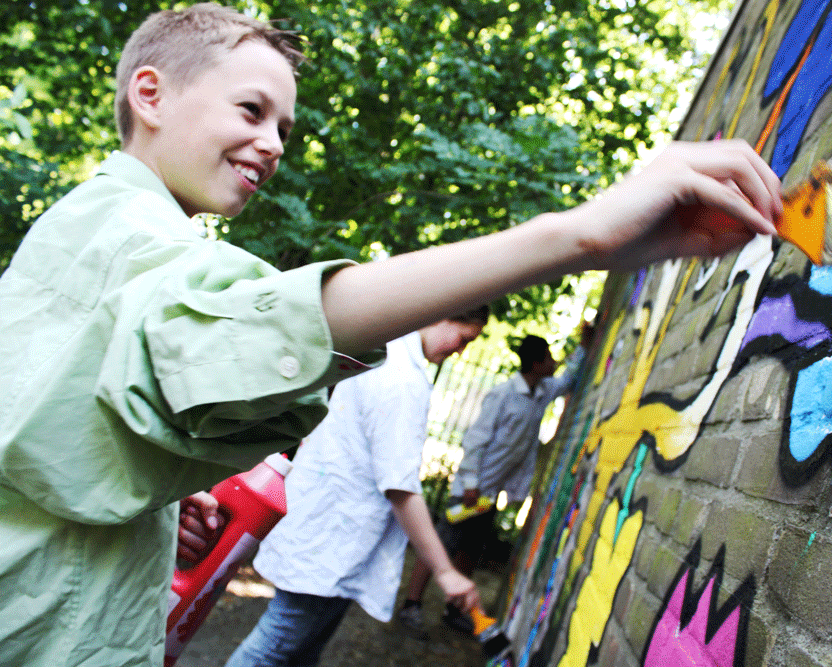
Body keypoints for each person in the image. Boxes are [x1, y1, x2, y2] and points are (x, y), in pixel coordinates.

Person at [0, 3, 782, 665]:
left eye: (283, 125)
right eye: (251, 110)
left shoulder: (94, 234)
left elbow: (69, 429)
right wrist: (577, 237)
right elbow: (253, 323)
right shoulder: (131, 234)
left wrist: (167, 504)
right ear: (151, 95)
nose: (274, 142)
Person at [224, 307, 488, 666]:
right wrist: (445, 571)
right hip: (335, 540)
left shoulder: (384, 352)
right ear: (444, 315)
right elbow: (400, 488)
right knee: (276, 648)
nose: (460, 351)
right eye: (464, 339)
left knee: (299, 652)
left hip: (330, 533)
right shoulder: (402, 380)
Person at [398, 332, 586, 635]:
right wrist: (471, 483)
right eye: (549, 358)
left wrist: (584, 346)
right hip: (469, 492)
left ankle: (454, 609)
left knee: (470, 550)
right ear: (536, 363)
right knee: (442, 545)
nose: (553, 363)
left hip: (490, 494)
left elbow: (567, 381)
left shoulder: (542, 391)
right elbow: (475, 440)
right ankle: (412, 604)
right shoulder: (504, 394)